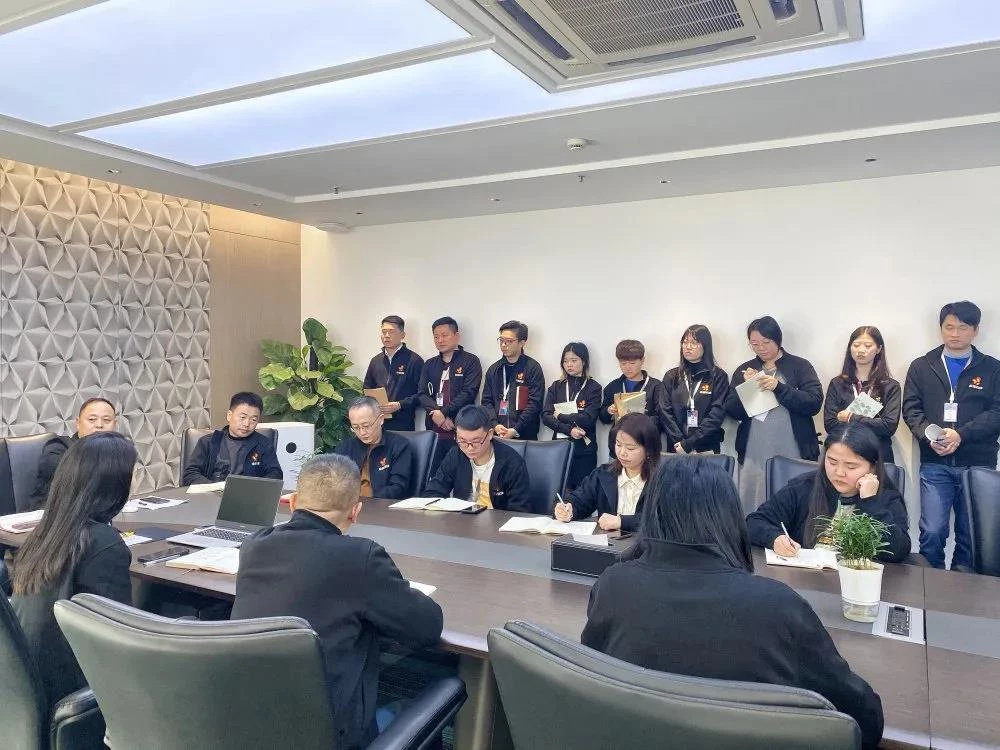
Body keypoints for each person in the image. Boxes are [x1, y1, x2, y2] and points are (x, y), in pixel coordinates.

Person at [581, 457, 884, 749]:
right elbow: (864, 720)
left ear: (652, 513)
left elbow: (594, 681)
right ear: (729, 516)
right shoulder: (778, 607)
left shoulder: (613, 585)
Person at [231, 454, 443, 749]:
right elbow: (427, 628)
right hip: (331, 734)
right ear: (355, 512)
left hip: (247, 723)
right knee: (432, 694)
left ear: (293, 503)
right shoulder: (361, 557)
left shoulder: (253, 545)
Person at [10, 432, 136, 704]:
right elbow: (118, 641)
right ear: (114, 487)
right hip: (76, 696)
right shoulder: (103, 543)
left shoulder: (45, 534)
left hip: (30, 690)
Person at [901, 301, 1000, 570]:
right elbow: (911, 409)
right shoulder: (922, 366)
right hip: (935, 462)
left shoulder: (993, 368)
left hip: (978, 464)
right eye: (949, 327)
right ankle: (930, 584)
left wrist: (961, 435)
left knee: (971, 535)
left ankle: (961, 587)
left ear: (976, 330)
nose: (955, 333)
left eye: (963, 327)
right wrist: (930, 437)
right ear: (941, 328)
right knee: (932, 531)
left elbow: (997, 412)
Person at [746, 423, 910, 563]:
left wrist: (870, 502)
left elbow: (898, 551)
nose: (839, 472)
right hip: (805, 580)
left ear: (872, 467)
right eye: (832, 462)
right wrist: (774, 538)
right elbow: (754, 522)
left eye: (851, 466)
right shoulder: (804, 487)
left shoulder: (886, 497)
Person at [725, 316, 822, 511]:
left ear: (778, 339)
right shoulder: (745, 370)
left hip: (794, 447)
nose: (761, 348)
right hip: (754, 449)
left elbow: (813, 403)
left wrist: (779, 387)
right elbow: (732, 410)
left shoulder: (800, 366)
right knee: (753, 499)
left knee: (794, 499)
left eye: (766, 342)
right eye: (754, 344)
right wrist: (748, 387)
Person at [554, 413, 661, 532]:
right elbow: (580, 500)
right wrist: (569, 508)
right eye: (618, 445)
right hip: (608, 543)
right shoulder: (604, 474)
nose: (622, 453)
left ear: (648, 449)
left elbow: (664, 520)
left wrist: (622, 522)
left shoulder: (662, 479)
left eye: (630, 448)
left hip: (647, 543)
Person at [423, 405, 531, 511]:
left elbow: (519, 511)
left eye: (475, 441)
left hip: (497, 521)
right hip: (461, 519)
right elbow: (433, 492)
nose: (469, 448)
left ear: (490, 434)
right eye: (462, 441)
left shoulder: (512, 463)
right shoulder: (456, 454)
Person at [823, 326, 901, 463]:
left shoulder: (890, 386)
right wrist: (872, 423)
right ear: (850, 348)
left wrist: (850, 417)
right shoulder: (837, 383)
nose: (861, 350)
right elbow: (830, 424)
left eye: (868, 345)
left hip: (877, 455)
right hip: (843, 453)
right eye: (856, 345)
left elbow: (888, 427)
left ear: (878, 349)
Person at [417, 317, 483, 471]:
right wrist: (438, 415)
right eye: (436, 336)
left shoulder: (471, 361)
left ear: (456, 336)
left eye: (444, 335)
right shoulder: (429, 364)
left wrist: (445, 413)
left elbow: (469, 392)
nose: (440, 340)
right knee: (434, 472)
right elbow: (421, 394)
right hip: (434, 429)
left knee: (461, 473)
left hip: (461, 429)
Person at [28, 397, 118, 510]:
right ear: (78, 423)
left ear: (114, 425)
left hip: (99, 514)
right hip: (54, 515)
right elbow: (75, 480)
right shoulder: (58, 447)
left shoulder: (116, 452)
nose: (99, 425)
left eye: (107, 420)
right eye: (92, 419)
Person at [658, 324, 730, 454]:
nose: (688, 347)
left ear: (706, 346)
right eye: (685, 342)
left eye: (694, 343)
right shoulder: (671, 376)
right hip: (676, 446)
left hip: (706, 446)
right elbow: (665, 411)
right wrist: (680, 442)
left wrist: (689, 443)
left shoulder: (718, 376)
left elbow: (716, 414)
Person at [183, 392, 283, 485]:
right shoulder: (208, 442)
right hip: (211, 494)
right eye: (242, 417)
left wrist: (253, 487)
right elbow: (190, 474)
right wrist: (213, 487)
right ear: (229, 416)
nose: (247, 424)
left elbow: (275, 474)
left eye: (253, 419)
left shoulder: (263, 444)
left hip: (248, 495)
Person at [541, 343, 603, 491]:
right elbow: (546, 416)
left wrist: (560, 416)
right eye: (565, 361)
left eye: (574, 360)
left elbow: (588, 418)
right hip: (559, 448)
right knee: (559, 492)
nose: (569, 364)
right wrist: (569, 430)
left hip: (584, 451)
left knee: (583, 493)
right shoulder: (556, 386)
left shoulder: (594, 387)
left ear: (584, 361)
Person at [333, 396, 413, 499]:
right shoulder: (345, 447)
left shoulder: (399, 445)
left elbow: (398, 487)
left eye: (366, 426)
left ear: (381, 419)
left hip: (381, 504)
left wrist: (370, 500)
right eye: (356, 427)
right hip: (349, 504)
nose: (362, 432)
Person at [481, 320, 545, 440]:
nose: (503, 345)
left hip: (524, 436)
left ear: (522, 343)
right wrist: (495, 425)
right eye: (501, 340)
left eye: (509, 341)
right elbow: (486, 402)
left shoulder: (532, 368)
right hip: (498, 434)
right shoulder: (494, 369)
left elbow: (535, 403)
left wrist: (516, 429)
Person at [598, 339, 664, 453]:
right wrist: (609, 411)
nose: (627, 368)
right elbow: (603, 418)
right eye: (623, 363)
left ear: (642, 360)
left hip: (646, 446)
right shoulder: (613, 386)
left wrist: (642, 418)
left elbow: (662, 419)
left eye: (632, 363)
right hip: (618, 446)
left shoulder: (655, 386)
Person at [363, 315, 425, 431]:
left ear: (402, 335)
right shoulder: (376, 361)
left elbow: (422, 394)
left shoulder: (415, 360)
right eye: (384, 332)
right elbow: (366, 388)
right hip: (377, 423)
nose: (386, 335)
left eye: (391, 332)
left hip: (403, 424)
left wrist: (400, 404)